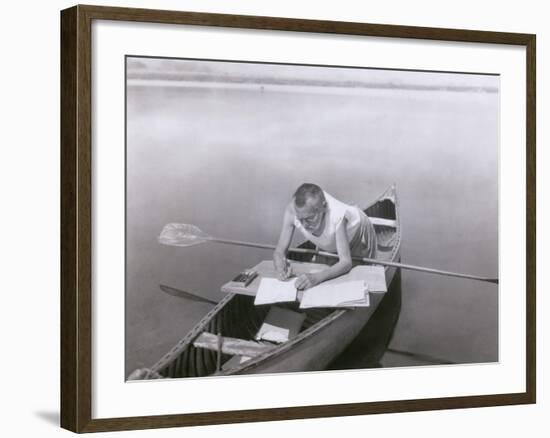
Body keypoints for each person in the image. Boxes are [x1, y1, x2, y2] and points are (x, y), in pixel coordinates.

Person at [273, 183, 377, 290]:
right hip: (330, 238)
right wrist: (280, 264)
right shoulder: (292, 211)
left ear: (324, 207)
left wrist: (316, 278)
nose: (304, 225)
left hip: (357, 235)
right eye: (300, 220)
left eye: (309, 219)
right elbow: (279, 251)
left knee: (356, 280)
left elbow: (346, 262)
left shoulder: (337, 215)